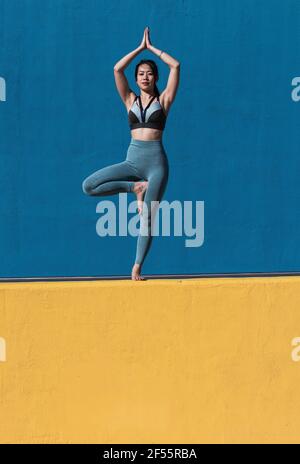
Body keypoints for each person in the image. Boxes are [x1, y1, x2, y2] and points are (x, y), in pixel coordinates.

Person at [82, 27, 180, 280]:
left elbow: (176, 66)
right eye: (140, 74)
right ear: (136, 79)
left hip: (156, 163)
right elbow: (117, 69)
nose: (144, 77)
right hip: (133, 160)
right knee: (89, 186)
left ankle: (137, 266)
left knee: (148, 217)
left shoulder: (165, 100)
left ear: (155, 77)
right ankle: (134, 188)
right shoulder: (129, 99)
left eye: (149, 73)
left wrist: (152, 49)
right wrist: (139, 48)